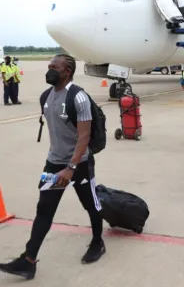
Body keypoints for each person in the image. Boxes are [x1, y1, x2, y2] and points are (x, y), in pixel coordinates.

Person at [0, 54, 105, 280]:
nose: (49, 70)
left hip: (80, 164)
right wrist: (58, 165)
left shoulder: (79, 98)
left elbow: (84, 136)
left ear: (67, 70)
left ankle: (98, 242)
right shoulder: (46, 96)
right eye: (48, 67)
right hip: (53, 162)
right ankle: (28, 260)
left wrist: (71, 168)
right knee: (44, 210)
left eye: (53, 67)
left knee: (91, 205)